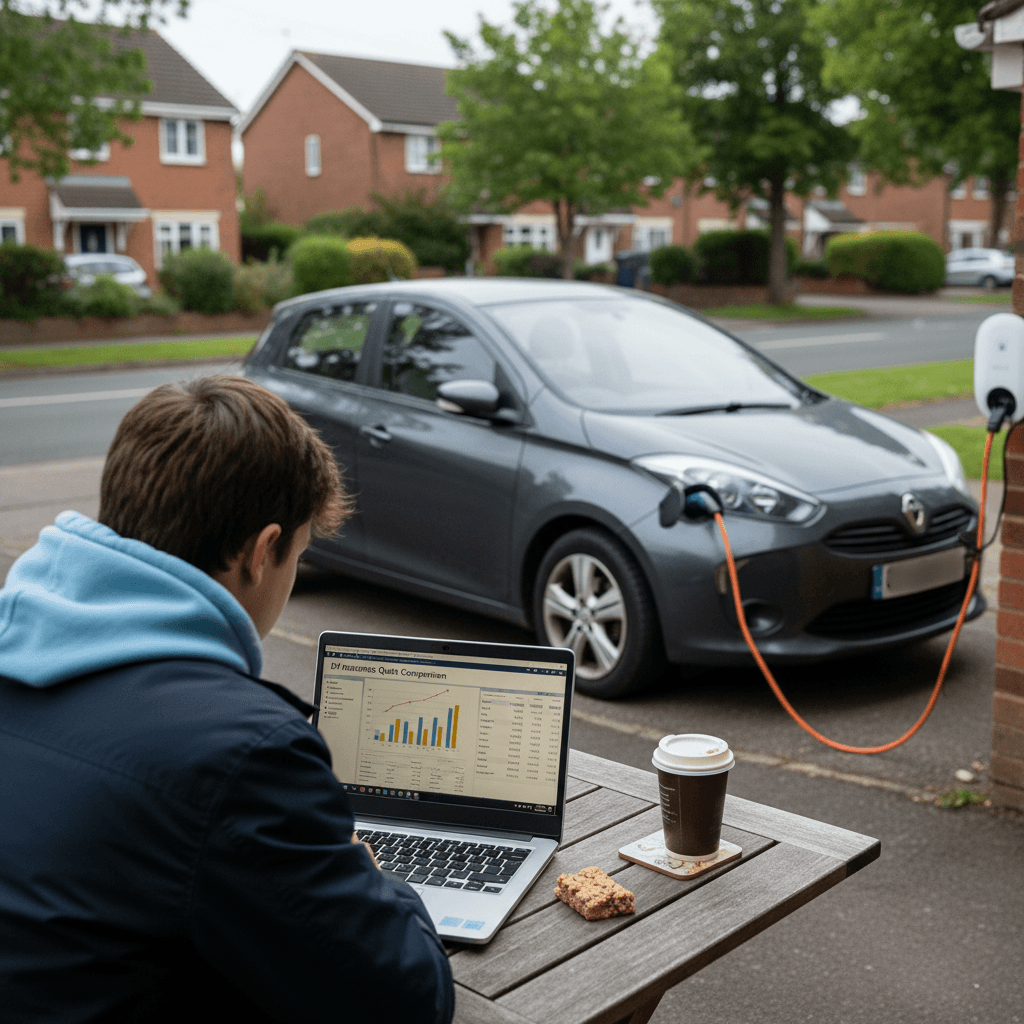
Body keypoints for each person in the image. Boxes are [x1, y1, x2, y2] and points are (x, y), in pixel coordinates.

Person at [0, 375, 455, 1024]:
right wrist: (368, 870)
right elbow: (407, 999)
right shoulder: (245, 752)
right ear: (262, 551)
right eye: (298, 554)